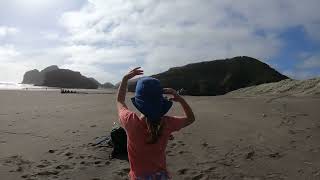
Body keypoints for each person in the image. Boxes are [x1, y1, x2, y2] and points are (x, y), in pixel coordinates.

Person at [116, 67, 195, 180]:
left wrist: (125, 79)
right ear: (160, 101)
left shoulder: (130, 121)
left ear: (138, 102)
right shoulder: (167, 123)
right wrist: (180, 99)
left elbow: (120, 101)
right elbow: (190, 119)